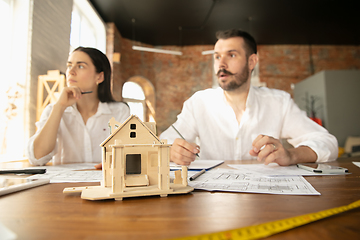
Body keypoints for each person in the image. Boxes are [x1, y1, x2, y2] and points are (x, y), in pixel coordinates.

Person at [160, 29, 338, 166]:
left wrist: (291, 155)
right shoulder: (198, 103)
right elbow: (162, 142)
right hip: (211, 204)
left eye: (231, 55)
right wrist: (170, 151)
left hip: (265, 203)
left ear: (252, 62)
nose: (221, 64)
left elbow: (328, 143)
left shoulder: (279, 103)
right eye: (216, 57)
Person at [27, 47, 130, 168]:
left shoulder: (119, 111)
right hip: (62, 185)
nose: (71, 72)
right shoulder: (53, 110)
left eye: (80, 66)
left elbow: (128, 155)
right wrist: (59, 107)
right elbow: (37, 158)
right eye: (69, 65)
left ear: (100, 77)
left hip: (104, 183)